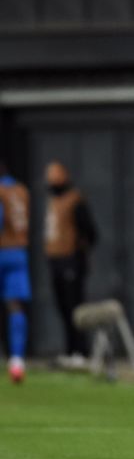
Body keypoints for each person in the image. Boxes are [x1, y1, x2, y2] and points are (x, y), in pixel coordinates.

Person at [45, 161, 98, 367]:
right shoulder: (53, 200)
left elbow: (91, 232)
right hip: (56, 261)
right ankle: (70, 350)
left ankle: (81, 351)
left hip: (71, 261)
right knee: (63, 308)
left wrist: (78, 253)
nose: (51, 179)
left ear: (65, 176)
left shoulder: (75, 200)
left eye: (55, 175)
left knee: (75, 307)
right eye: (49, 175)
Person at [0, 162, 30, 383]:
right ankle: (17, 360)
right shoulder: (21, 191)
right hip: (19, 253)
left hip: (2, 251)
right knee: (15, 306)